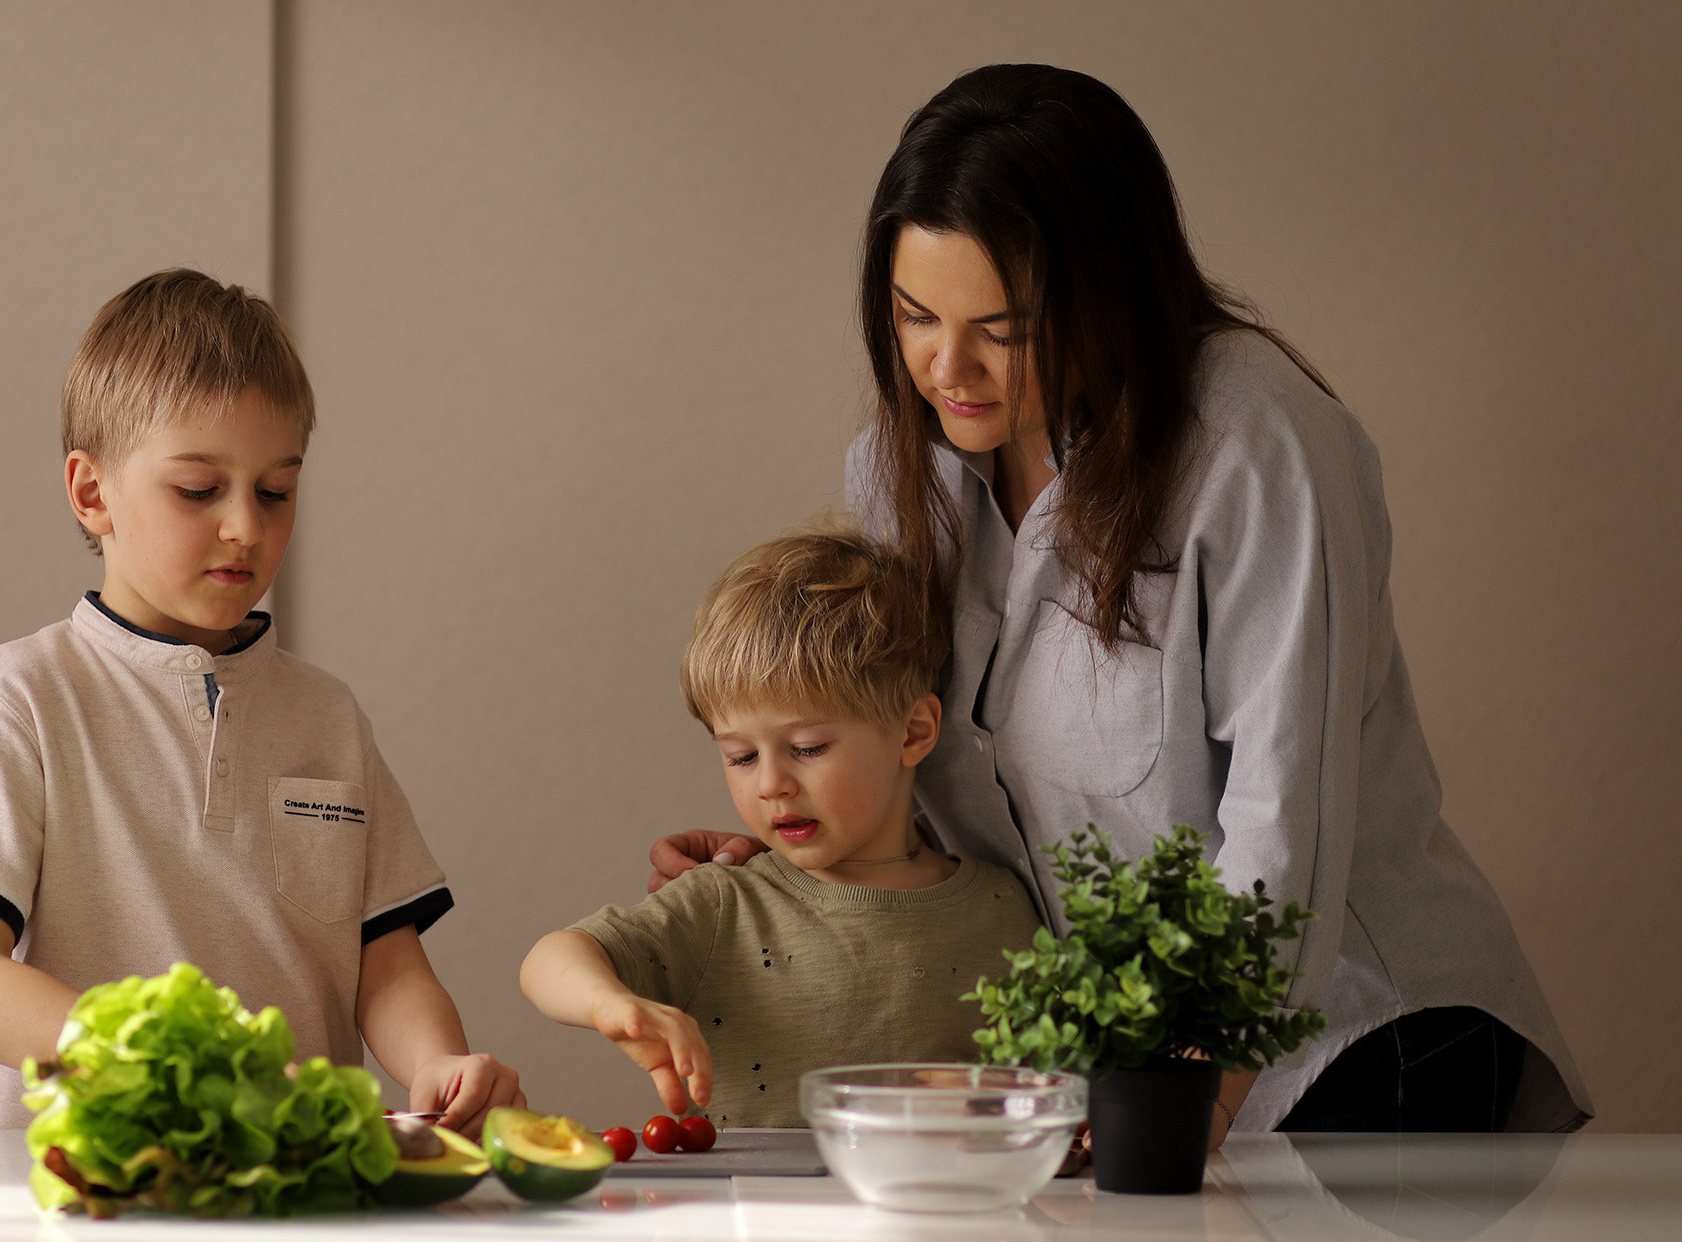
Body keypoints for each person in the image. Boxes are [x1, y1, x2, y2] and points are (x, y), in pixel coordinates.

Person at [651, 65, 1591, 1138]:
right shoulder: (903, 473)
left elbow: (1280, 822)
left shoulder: (1254, 443)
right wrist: (803, 843)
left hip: (1362, 1057)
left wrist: (1189, 1092)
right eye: (914, 316)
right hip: (1113, 1078)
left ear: (1108, 294)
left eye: (1002, 329)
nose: (946, 367)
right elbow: (901, 752)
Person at [0, 270, 522, 1146]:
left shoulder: (328, 714)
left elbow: (385, 965)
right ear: (90, 492)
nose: (246, 528)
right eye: (198, 490)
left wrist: (437, 1064)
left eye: (275, 490)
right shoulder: (23, 696)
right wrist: (195, 1060)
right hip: (93, 1214)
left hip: (303, 1203)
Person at [522, 528, 1041, 1127]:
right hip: (749, 1220)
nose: (770, 784)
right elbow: (549, 958)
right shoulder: (725, 904)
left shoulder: (1005, 909)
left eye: (808, 747)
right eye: (741, 757)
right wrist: (609, 1003)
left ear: (914, 732)